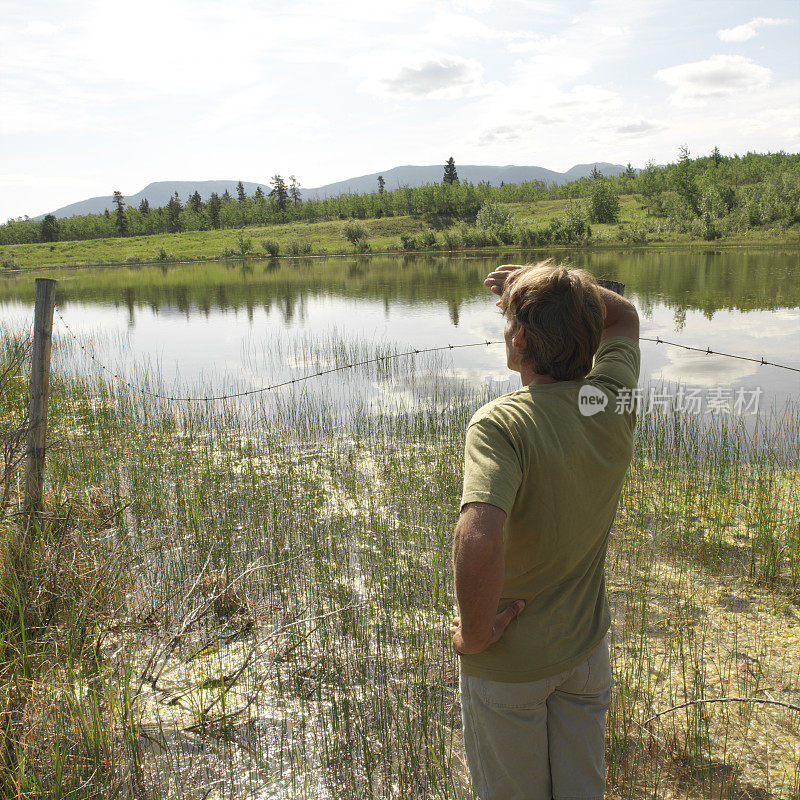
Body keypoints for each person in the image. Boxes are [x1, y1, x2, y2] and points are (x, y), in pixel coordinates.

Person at [451, 260, 640, 800]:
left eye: (509, 322)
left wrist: (477, 631)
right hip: (585, 654)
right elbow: (623, 317)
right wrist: (566, 290)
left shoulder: (501, 423)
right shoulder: (611, 399)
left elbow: (481, 537)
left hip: (511, 668)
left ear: (522, 339)